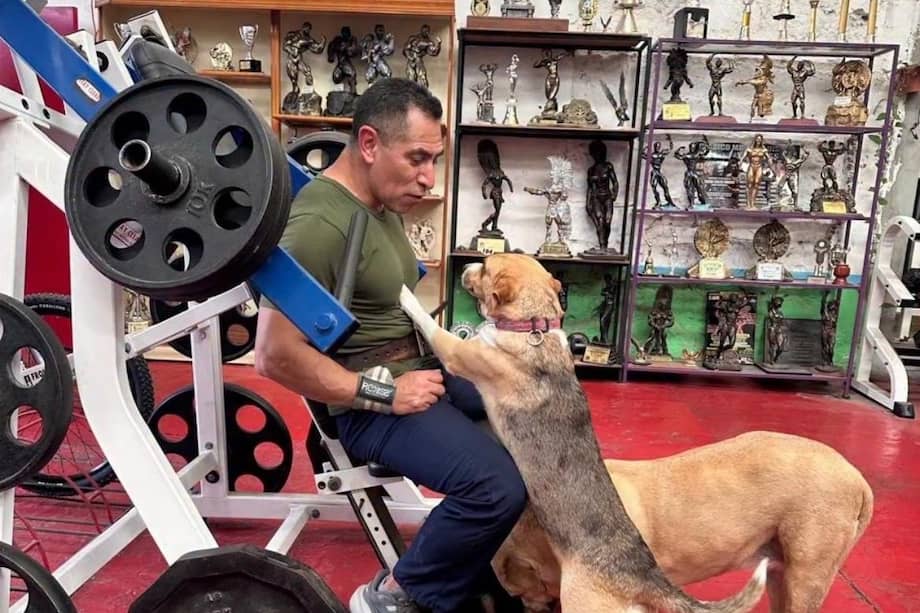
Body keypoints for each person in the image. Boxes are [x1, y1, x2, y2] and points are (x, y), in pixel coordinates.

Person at [254, 78, 527, 613]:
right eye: (417, 159)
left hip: (421, 372)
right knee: (496, 488)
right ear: (371, 144)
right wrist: (383, 395)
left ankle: (497, 575)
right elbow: (274, 355)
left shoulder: (378, 204)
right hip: (372, 403)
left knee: (538, 419)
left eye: (435, 161)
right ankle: (396, 596)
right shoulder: (318, 222)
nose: (428, 178)